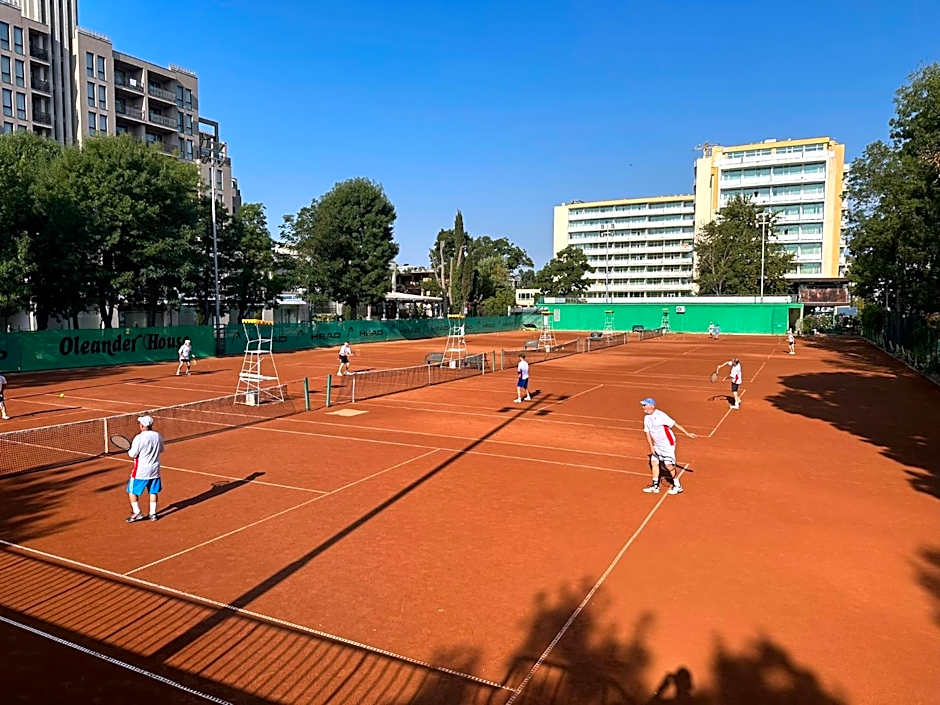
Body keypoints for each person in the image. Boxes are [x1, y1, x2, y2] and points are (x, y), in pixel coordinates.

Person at [640, 398, 696, 495]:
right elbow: (647, 433)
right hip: (657, 445)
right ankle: (655, 486)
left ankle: (677, 486)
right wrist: (651, 447)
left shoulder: (661, 415)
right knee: (654, 462)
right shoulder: (646, 418)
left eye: (645, 405)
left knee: (668, 465)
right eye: (643, 405)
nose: (643, 407)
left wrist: (687, 433)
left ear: (652, 406)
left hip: (667, 444)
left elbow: (675, 424)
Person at [126, 415, 165, 522]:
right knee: (153, 492)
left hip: (141, 471)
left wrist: (130, 451)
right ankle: (153, 514)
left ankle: (137, 512)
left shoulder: (139, 438)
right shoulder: (158, 436)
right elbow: (161, 449)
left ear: (142, 426)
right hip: (155, 470)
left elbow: (132, 454)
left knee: (131, 491)